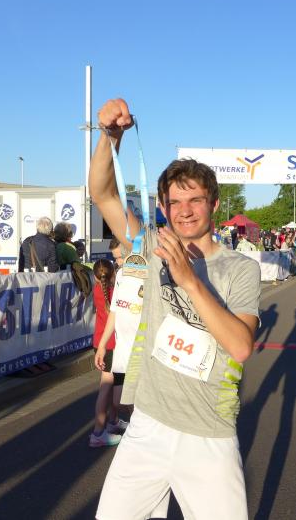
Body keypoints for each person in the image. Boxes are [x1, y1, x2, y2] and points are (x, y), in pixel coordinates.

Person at [90, 97, 260, 520]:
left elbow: (241, 346)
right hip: (147, 426)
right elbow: (102, 194)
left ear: (214, 204)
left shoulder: (240, 268)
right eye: (174, 203)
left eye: (195, 201)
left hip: (208, 436)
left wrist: (189, 280)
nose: (184, 212)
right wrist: (109, 137)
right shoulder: (152, 244)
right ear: (162, 207)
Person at [89, 258, 126, 447]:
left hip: (100, 342)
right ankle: (97, 433)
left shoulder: (98, 289)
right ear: (113, 274)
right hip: (111, 344)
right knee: (106, 388)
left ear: (96, 277)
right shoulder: (115, 292)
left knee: (109, 387)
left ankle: (113, 421)